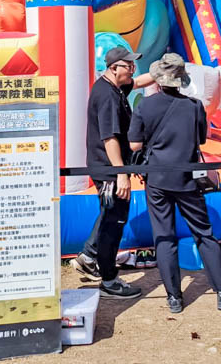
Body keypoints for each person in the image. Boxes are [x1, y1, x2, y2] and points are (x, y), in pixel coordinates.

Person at [128, 53, 221, 313]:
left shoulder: (144, 107)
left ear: (157, 79)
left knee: (164, 237)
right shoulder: (194, 106)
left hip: (156, 178)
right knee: (204, 234)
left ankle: (174, 298)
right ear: (181, 80)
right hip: (188, 177)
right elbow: (200, 140)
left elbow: (134, 144)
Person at [76, 46, 154, 299]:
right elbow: (109, 138)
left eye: (133, 65)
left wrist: (166, 70)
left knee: (109, 213)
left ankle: (89, 256)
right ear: (113, 68)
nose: (132, 70)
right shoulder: (107, 96)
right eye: (128, 66)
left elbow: (140, 81)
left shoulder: (116, 87)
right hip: (109, 169)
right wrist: (121, 174)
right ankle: (109, 280)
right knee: (114, 223)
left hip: (110, 166)